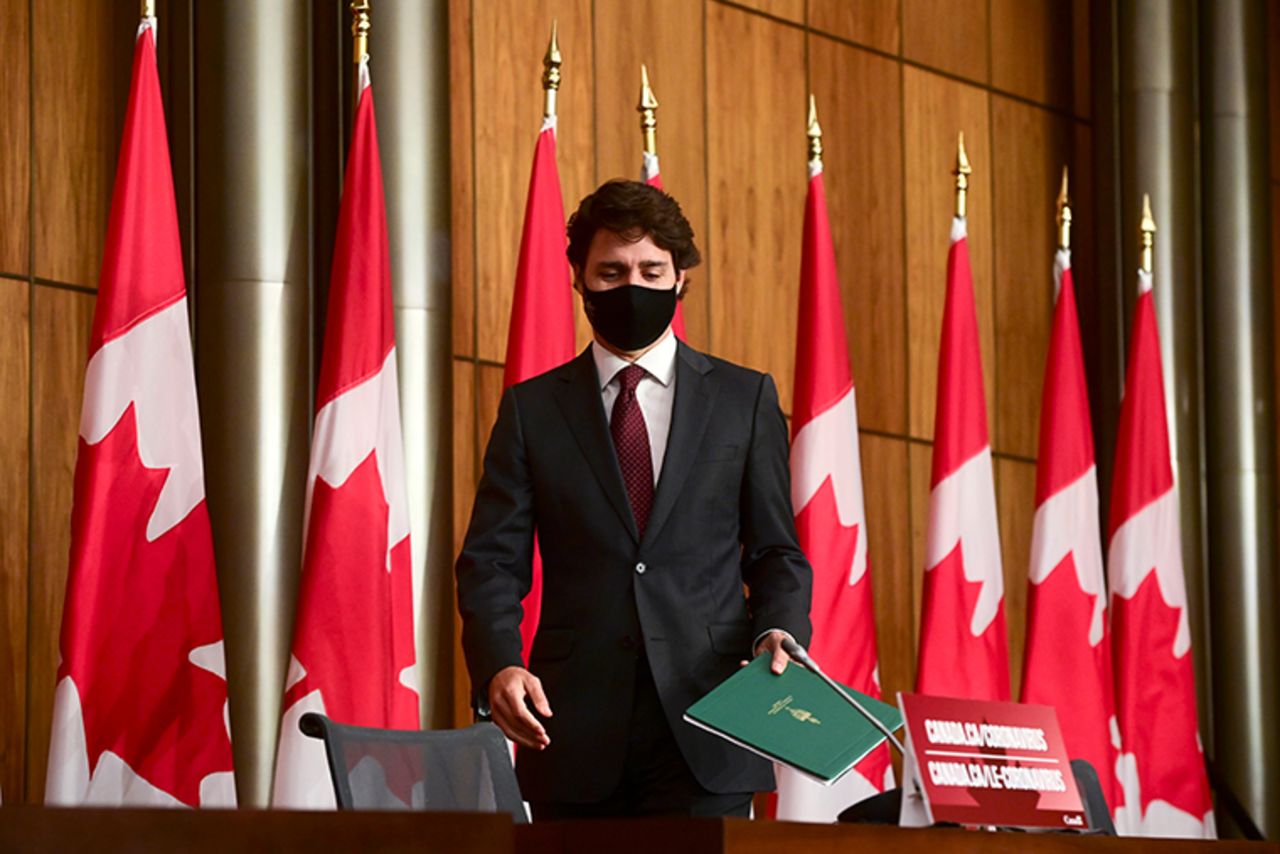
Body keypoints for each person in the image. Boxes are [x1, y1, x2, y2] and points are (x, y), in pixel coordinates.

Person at [456, 179, 812, 819]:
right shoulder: (531, 410)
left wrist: (779, 631)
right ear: (580, 281)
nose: (632, 287)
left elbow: (776, 551)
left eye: (652, 270)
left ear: (681, 281)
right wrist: (498, 668)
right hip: (569, 726)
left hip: (712, 723)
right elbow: (491, 563)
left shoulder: (744, 399)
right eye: (612, 272)